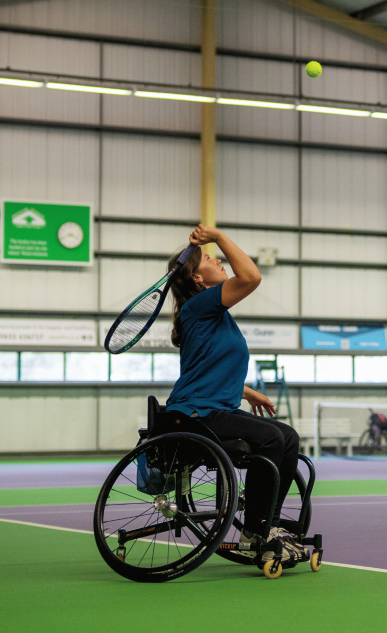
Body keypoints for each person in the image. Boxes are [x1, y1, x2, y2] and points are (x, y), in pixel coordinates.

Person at [164, 224, 304, 562]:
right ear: (198, 278)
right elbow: (252, 277)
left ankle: (266, 523)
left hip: (216, 407)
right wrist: (219, 236)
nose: (219, 260)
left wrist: (247, 391)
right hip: (197, 413)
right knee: (271, 438)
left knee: (288, 436)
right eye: (211, 258)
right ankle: (256, 529)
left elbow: (206, 366)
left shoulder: (211, 313)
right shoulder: (200, 306)